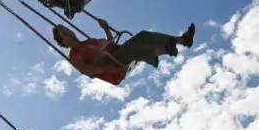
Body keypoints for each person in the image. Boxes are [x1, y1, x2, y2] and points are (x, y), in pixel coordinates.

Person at [52, 19, 195, 86]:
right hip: (114, 67)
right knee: (129, 49)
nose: (68, 31)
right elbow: (87, 70)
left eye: (66, 28)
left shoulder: (89, 41)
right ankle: (164, 50)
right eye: (64, 32)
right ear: (63, 41)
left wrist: (106, 29)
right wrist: (107, 68)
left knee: (142, 35)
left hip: (117, 54)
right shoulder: (74, 56)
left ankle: (182, 40)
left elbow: (110, 44)